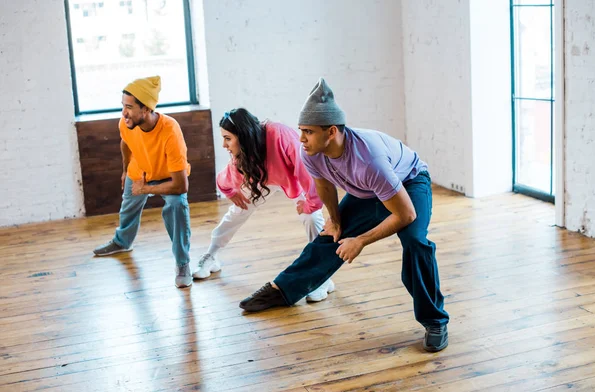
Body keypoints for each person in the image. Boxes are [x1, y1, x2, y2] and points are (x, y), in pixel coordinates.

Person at [239, 78, 450, 352]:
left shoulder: (368, 159)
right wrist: (336, 220)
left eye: (308, 131)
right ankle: (283, 290)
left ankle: (435, 321)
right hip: (368, 189)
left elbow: (406, 215)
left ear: (332, 132)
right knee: (331, 236)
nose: (301, 138)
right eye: (301, 130)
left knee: (414, 242)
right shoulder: (311, 152)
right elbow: (325, 185)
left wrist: (360, 240)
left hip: (409, 181)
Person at [194, 108, 335, 302]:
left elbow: (305, 168)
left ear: (242, 135)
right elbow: (229, 175)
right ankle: (210, 256)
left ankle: (322, 277)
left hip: (294, 178)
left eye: (228, 138)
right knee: (236, 212)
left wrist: (311, 203)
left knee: (311, 217)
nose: (224, 144)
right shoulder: (243, 153)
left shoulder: (279, 133)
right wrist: (229, 191)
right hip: (263, 181)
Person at [93, 76, 193, 289]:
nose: (124, 112)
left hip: (168, 176)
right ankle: (122, 242)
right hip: (140, 170)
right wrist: (125, 170)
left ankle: (182, 263)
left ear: (146, 109)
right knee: (127, 208)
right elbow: (125, 143)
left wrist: (146, 189)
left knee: (176, 206)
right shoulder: (126, 123)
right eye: (123, 106)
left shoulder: (170, 131)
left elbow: (181, 186)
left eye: (129, 107)